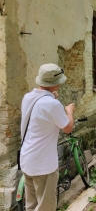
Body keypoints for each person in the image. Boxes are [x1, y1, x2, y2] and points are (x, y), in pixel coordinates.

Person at [20, 63, 75, 211]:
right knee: (46, 207)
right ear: (56, 84)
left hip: (27, 160)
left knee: (31, 206)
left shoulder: (28, 98)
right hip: (43, 165)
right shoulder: (52, 105)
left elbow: (42, 112)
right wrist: (69, 111)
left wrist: (53, 97)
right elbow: (68, 128)